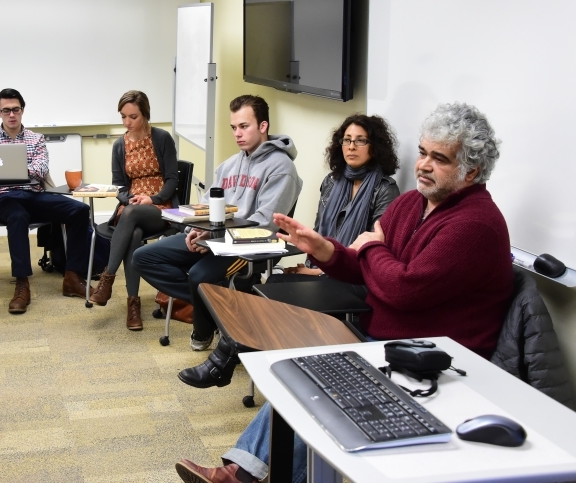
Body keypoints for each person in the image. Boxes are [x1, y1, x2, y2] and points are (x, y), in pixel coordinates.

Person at [175, 102, 514, 483]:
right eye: (422, 152)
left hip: (433, 359)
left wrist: (372, 247)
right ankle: (243, 472)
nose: (423, 165)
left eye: (440, 159)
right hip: (387, 340)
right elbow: (369, 270)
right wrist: (326, 250)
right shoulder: (413, 203)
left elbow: (401, 288)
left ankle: (242, 475)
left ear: (471, 170)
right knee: (303, 377)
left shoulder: (474, 224)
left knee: (323, 386)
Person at [178, 114, 401, 389]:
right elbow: (320, 233)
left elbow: (371, 246)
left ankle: (223, 362)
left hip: (356, 278)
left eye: (360, 141)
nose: (351, 147)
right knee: (272, 286)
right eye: (347, 140)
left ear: (374, 146)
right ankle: (237, 361)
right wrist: (314, 260)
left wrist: (318, 269)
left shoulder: (385, 189)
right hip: (326, 265)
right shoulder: (333, 181)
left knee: (275, 286)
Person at [133, 94, 303, 347]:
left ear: (263, 126)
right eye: (234, 128)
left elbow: (264, 224)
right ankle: (214, 307)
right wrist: (193, 230)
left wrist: (213, 238)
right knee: (143, 257)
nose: (237, 134)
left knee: (199, 275)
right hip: (214, 238)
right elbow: (204, 207)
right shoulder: (228, 166)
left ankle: (203, 329)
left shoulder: (281, 168)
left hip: (249, 246)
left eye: (244, 126)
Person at [0, 88, 94, 314]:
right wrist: (9, 172)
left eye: (16, 109)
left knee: (79, 210)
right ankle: (22, 284)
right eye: (6, 110)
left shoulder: (36, 139)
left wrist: (10, 171)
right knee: (17, 216)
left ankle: (73, 277)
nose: (11, 114)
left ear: (22, 110)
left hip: (33, 195)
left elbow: (41, 169)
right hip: (2, 198)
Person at [88, 91, 178, 330]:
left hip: (159, 206)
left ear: (145, 115)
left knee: (131, 215)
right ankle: (133, 304)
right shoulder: (120, 145)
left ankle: (107, 279)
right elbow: (119, 186)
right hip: (132, 206)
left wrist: (153, 198)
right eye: (123, 116)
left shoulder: (162, 138)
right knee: (134, 232)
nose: (128, 122)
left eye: (133, 116)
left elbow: (171, 179)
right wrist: (130, 199)